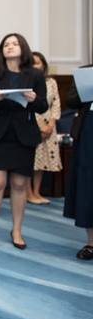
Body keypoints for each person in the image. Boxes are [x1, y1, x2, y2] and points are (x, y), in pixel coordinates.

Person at [0, 33, 47, 251]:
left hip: (24, 134)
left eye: (14, 43)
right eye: (6, 44)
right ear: (2, 50)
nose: (10, 47)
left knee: (19, 185)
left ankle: (16, 230)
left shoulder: (35, 75)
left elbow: (43, 106)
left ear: (23, 48)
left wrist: (33, 99)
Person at [63, 64, 93, 260]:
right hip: (89, 129)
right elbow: (71, 100)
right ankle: (91, 243)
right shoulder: (86, 71)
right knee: (88, 183)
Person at [29, 51, 61, 204]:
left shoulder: (51, 82)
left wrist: (51, 124)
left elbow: (56, 104)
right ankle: (28, 193)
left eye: (38, 62)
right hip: (32, 123)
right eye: (32, 62)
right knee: (30, 161)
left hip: (49, 124)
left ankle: (37, 192)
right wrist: (39, 126)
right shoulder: (27, 81)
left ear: (43, 65)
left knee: (41, 163)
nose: (35, 65)